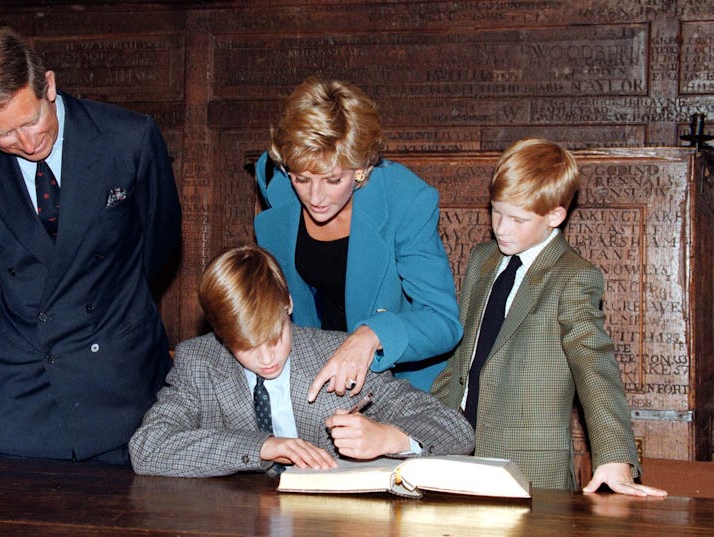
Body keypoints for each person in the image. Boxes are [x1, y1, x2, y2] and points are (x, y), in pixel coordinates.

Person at [0, 27, 181, 465]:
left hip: (119, 379)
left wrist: (109, 305)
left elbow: (159, 243)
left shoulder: (128, 138)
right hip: (26, 392)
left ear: (48, 84)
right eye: (4, 135)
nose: (28, 144)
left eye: (31, 120)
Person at [431, 138, 666, 496]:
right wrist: (426, 426)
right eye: (496, 211)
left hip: (531, 468)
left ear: (555, 216)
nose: (501, 228)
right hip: (455, 450)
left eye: (518, 219)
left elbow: (594, 365)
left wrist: (615, 455)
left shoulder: (573, 276)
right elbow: (461, 356)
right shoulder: (483, 258)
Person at [129, 245, 473, 477]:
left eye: (275, 337)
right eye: (245, 347)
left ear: (288, 304)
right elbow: (147, 447)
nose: (266, 358)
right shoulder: (198, 362)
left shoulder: (338, 356)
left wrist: (389, 438)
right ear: (220, 334)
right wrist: (262, 446)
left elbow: (457, 430)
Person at [254, 77, 462, 399]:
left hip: (400, 381)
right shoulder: (279, 186)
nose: (315, 196)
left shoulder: (404, 201)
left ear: (362, 168)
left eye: (333, 179)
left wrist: (372, 335)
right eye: (302, 178)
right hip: (315, 375)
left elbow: (443, 321)